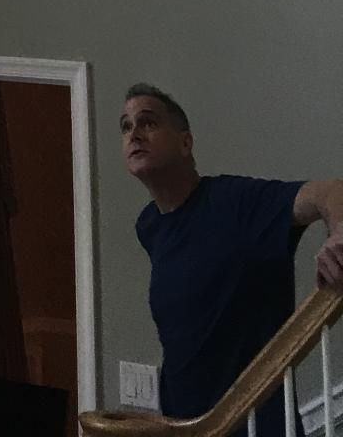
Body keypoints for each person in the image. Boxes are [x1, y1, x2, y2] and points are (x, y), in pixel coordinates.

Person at [121, 84, 343, 435]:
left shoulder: (235, 203)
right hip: (185, 424)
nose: (134, 133)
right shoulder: (149, 225)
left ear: (185, 142)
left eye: (147, 122)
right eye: (126, 126)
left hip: (255, 422)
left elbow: (330, 191)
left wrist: (339, 235)